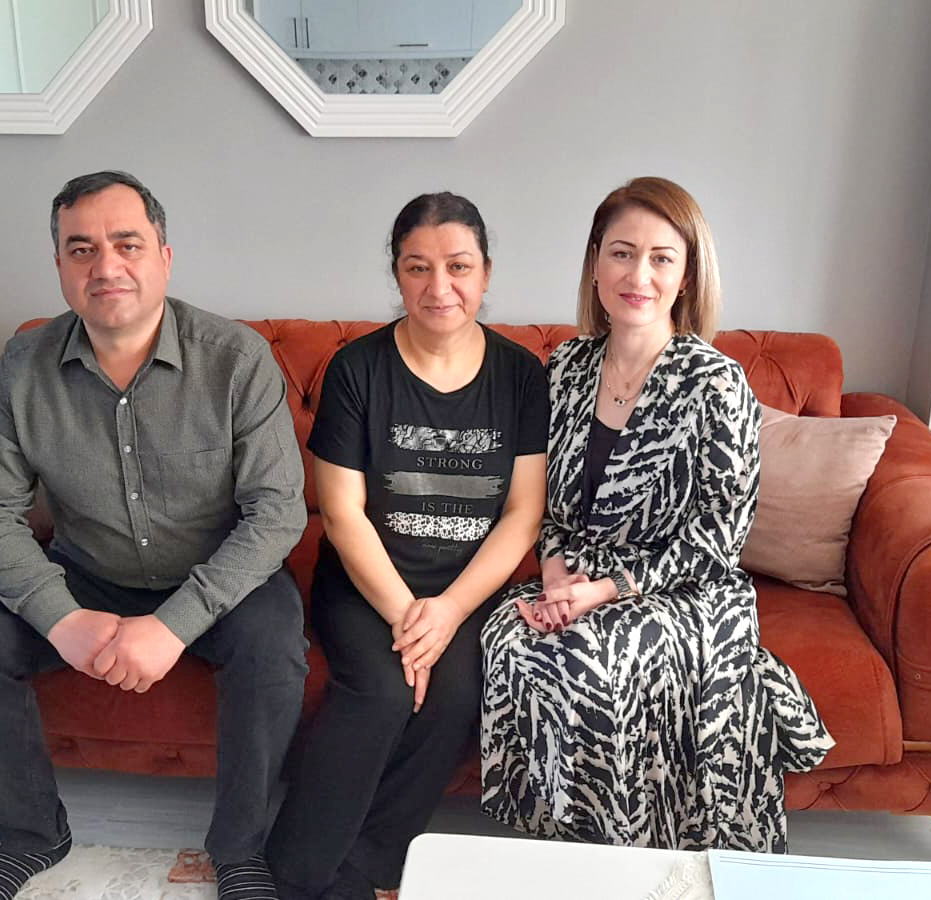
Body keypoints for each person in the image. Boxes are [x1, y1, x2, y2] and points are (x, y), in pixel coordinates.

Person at [0, 171, 308, 900]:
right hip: (85, 573)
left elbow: (276, 514)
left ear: (164, 257)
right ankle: (32, 837)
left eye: (126, 244)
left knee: (273, 648)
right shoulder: (24, 365)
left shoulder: (237, 359)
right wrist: (61, 618)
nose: (105, 266)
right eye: (82, 249)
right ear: (60, 266)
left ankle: (240, 851)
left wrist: (173, 626)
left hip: (217, 575)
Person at [480, 176, 834, 853]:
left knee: (594, 659)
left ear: (686, 276)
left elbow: (721, 534)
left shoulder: (716, 382)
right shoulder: (567, 368)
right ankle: (556, 846)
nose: (637, 275)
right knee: (511, 638)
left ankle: (634, 854)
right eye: (621, 253)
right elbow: (544, 499)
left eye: (660, 258)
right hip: (576, 572)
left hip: (684, 589)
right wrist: (554, 574)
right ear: (595, 263)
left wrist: (606, 591)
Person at [266, 193, 549, 900]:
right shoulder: (357, 369)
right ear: (396, 274)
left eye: (458, 266)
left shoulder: (521, 376)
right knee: (382, 690)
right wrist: (406, 617)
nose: (438, 286)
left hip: (467, 588)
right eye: (417, 267)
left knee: (453, 695)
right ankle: (293, 875)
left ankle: (366, 867)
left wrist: (448, 611)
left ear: (486, 273)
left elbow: (523, 515)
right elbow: (342, 515)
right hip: (367, 583)